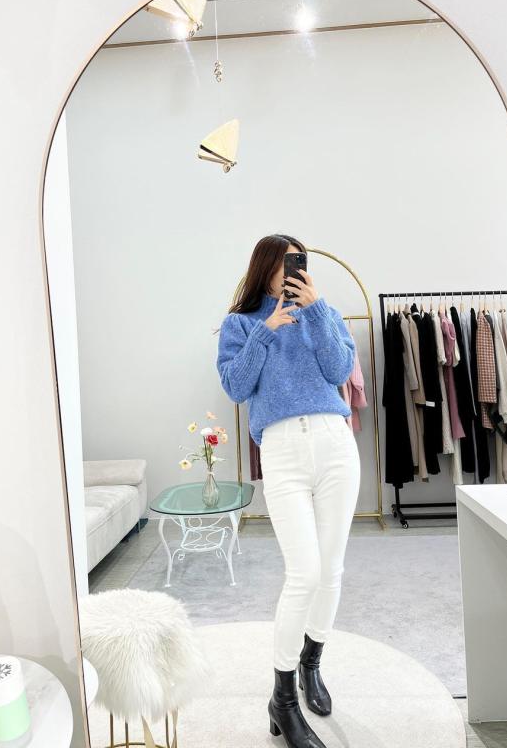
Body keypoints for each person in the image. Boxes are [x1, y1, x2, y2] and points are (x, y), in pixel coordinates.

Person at [216, 233, 361, 748]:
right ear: (265, 269)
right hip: (282, 451)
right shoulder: (240, 324)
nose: (292, 271)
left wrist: (315, 311)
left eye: (298, 263)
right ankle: (281, 699)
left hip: (334, 444)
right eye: (283, 264)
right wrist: (266, 331)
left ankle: (311, 664)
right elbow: (236, 387)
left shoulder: (326, 313)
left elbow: (338, 370)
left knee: (332, 569)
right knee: (305, 573)